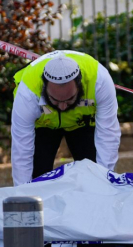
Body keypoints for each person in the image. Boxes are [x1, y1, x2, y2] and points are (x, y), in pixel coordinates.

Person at [10, 50, 120, 186]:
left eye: (70, 99)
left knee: (95, 174)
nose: (62, 107)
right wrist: (23, 196)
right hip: (43, 125)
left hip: (81, 124)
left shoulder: (99, 79)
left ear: (80, 85)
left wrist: (106, 183)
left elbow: (108, 134)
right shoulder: (27, 91)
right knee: (36, 178)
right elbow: (21, 150)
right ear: (44, 87)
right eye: (54, 100)